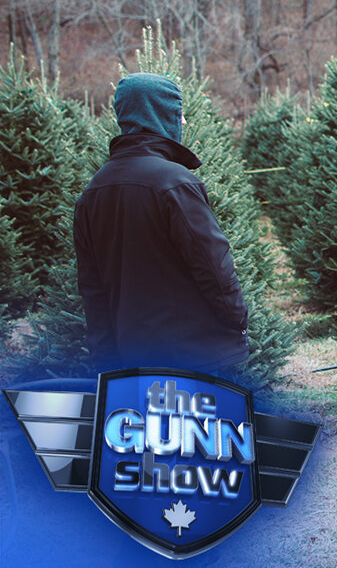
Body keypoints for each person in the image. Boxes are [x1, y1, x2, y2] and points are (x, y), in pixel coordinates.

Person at [73, 72, 249, 371]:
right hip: (196, 354)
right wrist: (237, 319)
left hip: (132, 358)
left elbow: (92, 290)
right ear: (158, 115)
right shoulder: (175, 182)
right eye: (178, 113)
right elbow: (213, 265)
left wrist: (106, 361)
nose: (183, 122)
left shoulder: (93, 191)